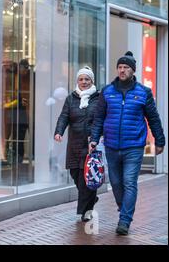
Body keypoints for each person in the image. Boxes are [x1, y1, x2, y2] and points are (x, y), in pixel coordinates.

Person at [89, 51, 165, 235]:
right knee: (115, 183)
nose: (122, 70)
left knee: (129, 182)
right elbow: (99, 118)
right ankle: (124, 210)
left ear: (133, 70)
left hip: (134, 146)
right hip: (111, 145)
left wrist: (160, 140)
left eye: (126, 67)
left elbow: (153, 118)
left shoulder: (143, 92)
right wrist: (93, 139)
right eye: (120, 67)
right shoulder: (107, 91)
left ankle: (124, 220)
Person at [54, 66, 99, 222]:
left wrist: (96, 137)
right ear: (77, 81)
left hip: (90, 144)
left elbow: (102, 120)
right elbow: (64, 117)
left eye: (87, 79)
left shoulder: (99, 98)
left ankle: (86, 211)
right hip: (74, 144)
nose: (84, 82)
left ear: (92, 81)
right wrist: (59, 131)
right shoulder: (71, 98)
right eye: (81, 79)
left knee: (87, 178)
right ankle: (91, 199)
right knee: (75, 173)